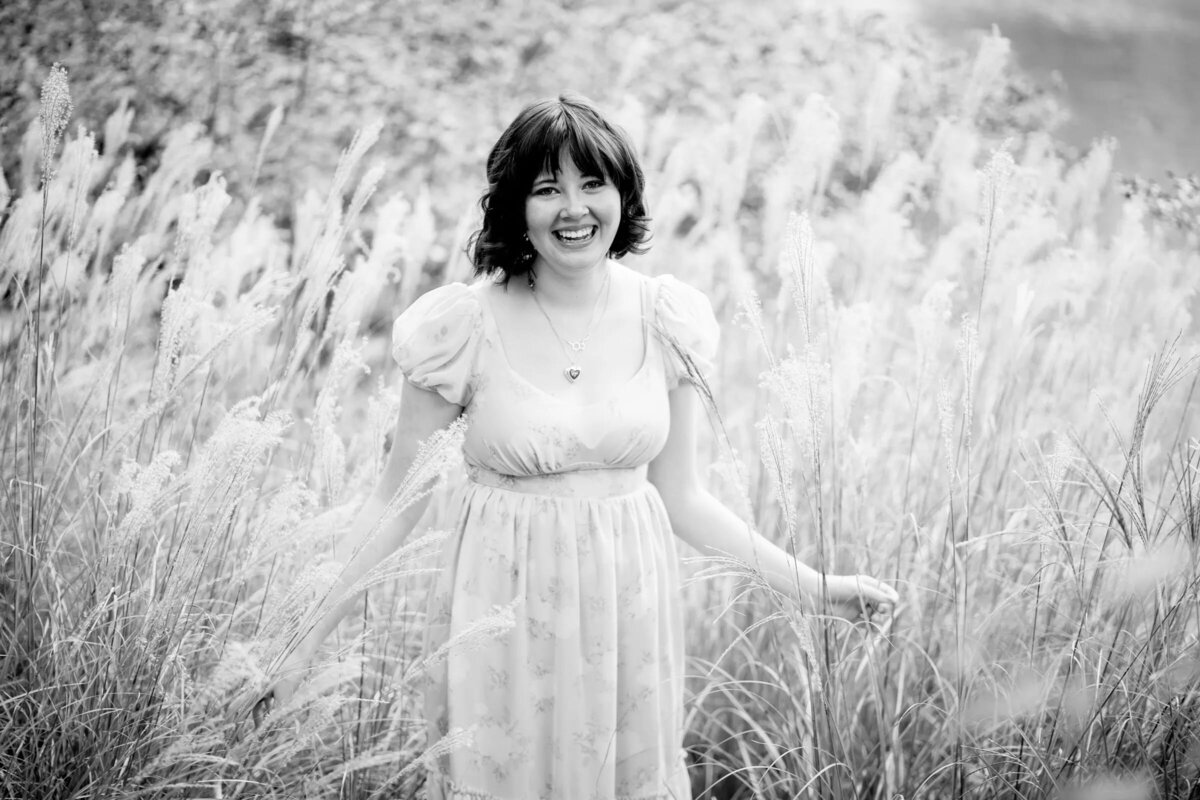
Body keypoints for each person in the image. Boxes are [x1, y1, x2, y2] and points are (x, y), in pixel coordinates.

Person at [262, 94, 898, 800]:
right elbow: (394, 502)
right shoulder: (463, 326)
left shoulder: (666, 319)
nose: (575, 208)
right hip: (500, 620)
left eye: (593, 183)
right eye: (547, 190)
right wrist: (299, 643)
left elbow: (683, 499)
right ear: (516, 207)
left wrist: (818, 589)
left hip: (627, 625)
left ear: (623, 193)